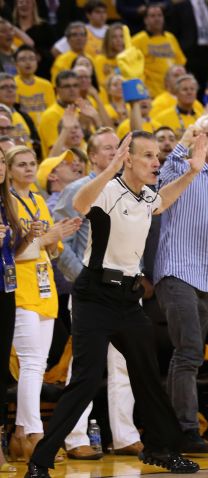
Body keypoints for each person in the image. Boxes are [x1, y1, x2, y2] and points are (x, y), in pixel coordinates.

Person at [24, 131, 208, 478]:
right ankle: (40, 461)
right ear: (129, 159)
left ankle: (161, 449)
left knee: (147, 375)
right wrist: (110, 168)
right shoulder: (107, 191)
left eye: (157, 156)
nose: (157, 162)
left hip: (128, 297)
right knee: (87, 379)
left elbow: (162, 202)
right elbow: (79, 204)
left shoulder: (147, 194)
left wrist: (192, 171)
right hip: (94, 296)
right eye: (148, 156)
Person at [51, 128, 143, 459]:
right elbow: (61, 243)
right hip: (92, 289)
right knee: (85, 364)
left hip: (126, 288)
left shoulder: (133, 189)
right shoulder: (78, 190)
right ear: (91, 156)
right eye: (106, 149)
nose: (114, 154)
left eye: (118, 148)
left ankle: (125, 435)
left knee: (124, 363)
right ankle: (75, 437)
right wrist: (84, 279)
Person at [153, 114, 208, 453]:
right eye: (206, 135)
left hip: (207, 274)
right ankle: (185, 431)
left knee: (188, 355)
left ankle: (176, 429)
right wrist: (187, 139)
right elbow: (165, 171)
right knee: (188, 353)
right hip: (177, 270)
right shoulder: (180, 169)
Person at [5, 146, 81, 462]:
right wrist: (48, 238)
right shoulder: (6, 202)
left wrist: (52, 239)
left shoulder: (38, 201)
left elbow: (51, 250)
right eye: (20, 164)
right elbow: (16, 250)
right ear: (8, 170)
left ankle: (22, 435)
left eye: (32, 163)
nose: (27, 168)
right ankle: (33, 433)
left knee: (37, 364)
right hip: (20, 288)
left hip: (45, 287)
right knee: (31, 365)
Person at [0, 147, 22, 473]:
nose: (0, 166)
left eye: (2, 160)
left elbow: (11, 252)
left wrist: (26, 238)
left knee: (2, 370)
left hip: (6, 290)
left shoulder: (8, 203)